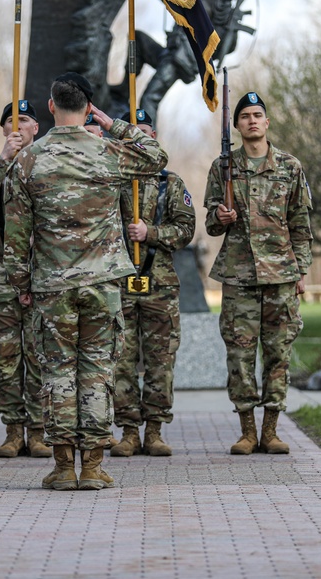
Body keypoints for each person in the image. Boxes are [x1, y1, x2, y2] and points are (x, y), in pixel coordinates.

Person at [3, 72, 168, 490]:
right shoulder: (109, 152)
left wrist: (21, 282)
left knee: (57, 373)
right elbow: (155, 155)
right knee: (97, 371)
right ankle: (93, 467)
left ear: (51, 106)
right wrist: (113, 123)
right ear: (88, 108)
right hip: (102, 283)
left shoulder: (29, 160)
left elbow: (16, 232)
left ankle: (62, 468)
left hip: (52, 285)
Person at [203, 91, 312, 455]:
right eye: (245, 115)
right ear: (236, 126)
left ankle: (271, 430)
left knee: (278, 353)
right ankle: (247, 431)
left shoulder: (289, 166)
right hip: (239, 277)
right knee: (240, 355)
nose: (252, 120)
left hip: (281, 275)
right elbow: (210, 226)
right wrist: (220, 218)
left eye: (258, 114)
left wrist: (301, 271)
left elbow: (300, 224)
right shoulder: (223, 168)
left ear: (267, 123)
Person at [0, 99, 51, 459]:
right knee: (4, 357)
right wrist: (3, 160)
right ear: (3, 130)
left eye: (25, 120)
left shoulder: (50, 165)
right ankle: (13, 430)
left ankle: (38, 431)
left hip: (43, 273)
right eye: (10, 122)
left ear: (37, 128)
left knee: (40, 355)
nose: (17, 127)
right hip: (1, 277)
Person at [111, 108, 195, 458]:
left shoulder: (170, 184)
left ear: (153, 139)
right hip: (119, 284)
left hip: (159, 284)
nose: (137, 141)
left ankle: (155, 430)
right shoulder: (110, 182)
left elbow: (186, 229)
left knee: (161, 359)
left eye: (143, 134)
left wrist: (151, 232)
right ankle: (129, 430)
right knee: (121, 359)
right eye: (131, 136)